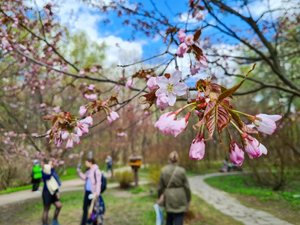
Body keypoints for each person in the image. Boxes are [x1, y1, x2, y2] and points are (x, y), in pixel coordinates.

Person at [158, 151, 191, 225]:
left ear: (169, 159)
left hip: (168, 197)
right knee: (179, 217)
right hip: (180, 197)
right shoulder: (181, 170)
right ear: (177, 159)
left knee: (169, 217)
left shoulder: (164, 170)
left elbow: (160, 186)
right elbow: (187, 187)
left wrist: (159, 196)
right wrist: (188, 199)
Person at [77, 158, 102, 225]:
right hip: (87, 192)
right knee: (85, 208)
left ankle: (95, 222)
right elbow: (84, 178)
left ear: (90, 162)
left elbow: (99, 182)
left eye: (86, 162)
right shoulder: (88, 171)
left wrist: (97, 193)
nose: (86, 164)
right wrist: (79, 172)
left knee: (94, 209)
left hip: (93, 193)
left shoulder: (96, 170)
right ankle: (83, 223)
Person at [42, 160, 62, 225]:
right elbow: (48, 177)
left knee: (59, 205)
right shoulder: (43, 171)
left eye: (52, 165)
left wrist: (57, 192)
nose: (52, 166)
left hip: (53, 192)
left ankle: (55, 220)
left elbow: (56, 183)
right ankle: (45, 223)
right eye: (50, 164)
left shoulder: (53, 172)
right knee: (46, 209)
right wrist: (51, 169)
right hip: (47, 192)